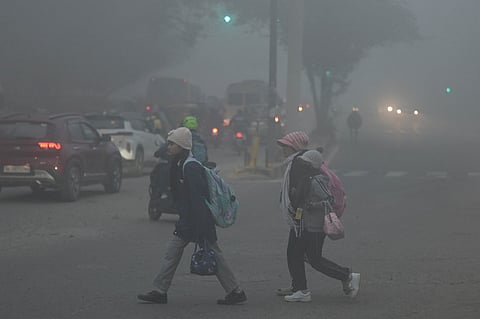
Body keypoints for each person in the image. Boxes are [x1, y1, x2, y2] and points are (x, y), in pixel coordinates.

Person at [137, 127, 247, 305]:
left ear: (181, 146)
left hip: (198, 221)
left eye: (172, 144)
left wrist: (200, 226)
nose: (169, 147)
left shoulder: (191, 167)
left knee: (213, 255)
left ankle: (235, 291)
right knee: (172, 254)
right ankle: (160, 290)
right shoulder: (178, 163)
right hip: (189, 221)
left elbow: (198, 199)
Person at [278, 149, 360, 302]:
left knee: (314, 259)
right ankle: (301, 290)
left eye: (305, 163)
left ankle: (346, 275)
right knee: (299, 255)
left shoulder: (317, 180)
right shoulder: (307, 178)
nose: (301, 165)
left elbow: (329, 201)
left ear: (311, 165)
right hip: (306, 224)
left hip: (315, 226)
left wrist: (310, 205)